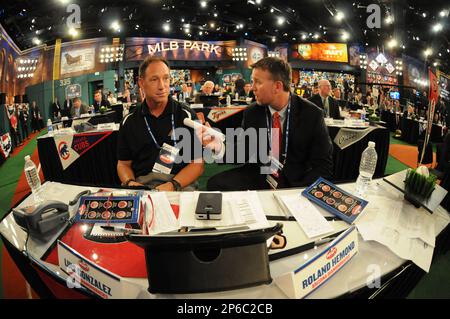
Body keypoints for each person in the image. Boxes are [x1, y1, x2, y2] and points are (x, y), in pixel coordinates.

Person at [204, 57, 333, 191]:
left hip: (295, 179)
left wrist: (299, 192)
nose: (252, 87)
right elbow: (243, 152)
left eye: (257, 82)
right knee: (215, 183)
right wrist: (219, 147)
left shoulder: (311, 114)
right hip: (261, 174)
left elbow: (323, 166)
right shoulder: (252, 112)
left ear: (277, 86)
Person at [117, 56, 204, 191]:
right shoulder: (129, 121)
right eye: (154, 79)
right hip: (143, 186)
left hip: (180, 183)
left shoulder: (186, 116)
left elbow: (197, 164)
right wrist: (130, 182)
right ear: (141, 82)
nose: (162, 86)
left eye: (166, 78)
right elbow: (123, 164)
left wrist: (172, 185)